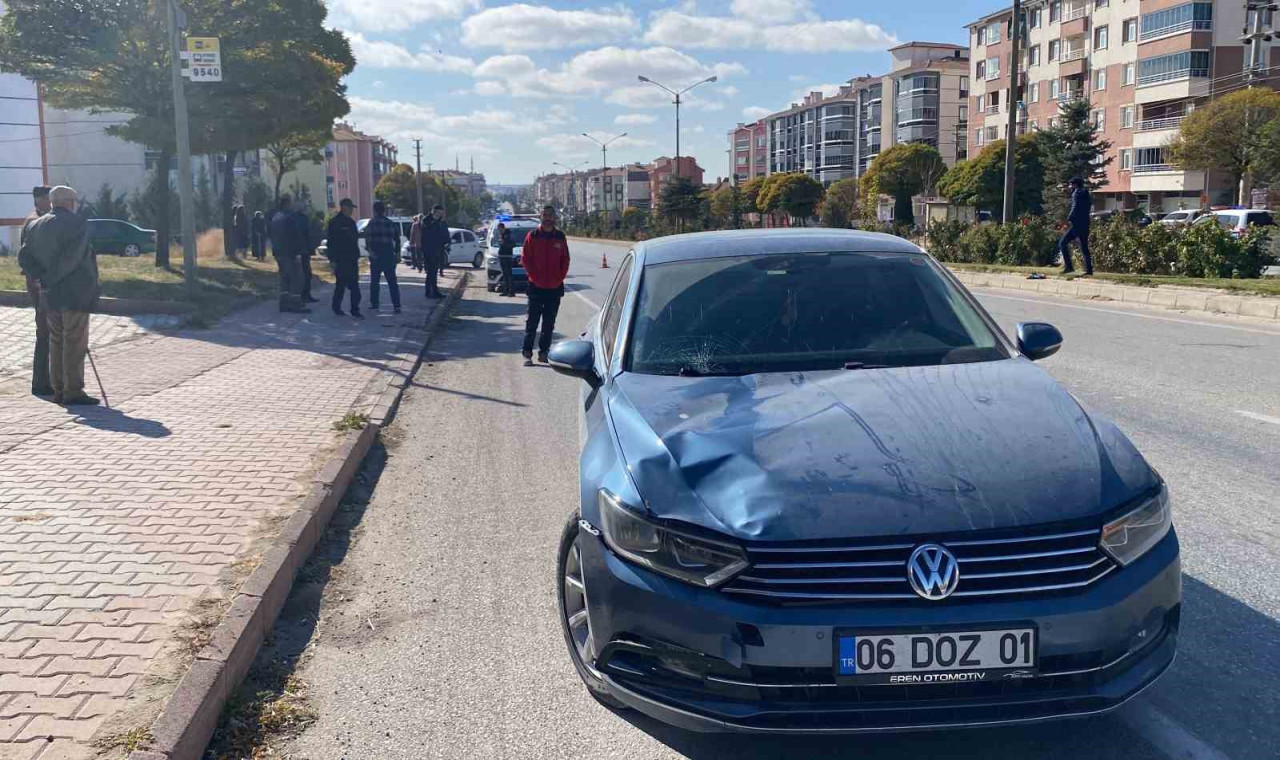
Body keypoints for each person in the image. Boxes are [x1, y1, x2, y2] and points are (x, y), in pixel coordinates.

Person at [19, 186, 100, 405]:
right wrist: (50, 278)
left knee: (56, 341)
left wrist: (41, 278)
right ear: (69, 202)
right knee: (74, 342)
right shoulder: (77, 224)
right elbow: (72, 259)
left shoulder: (35, 224)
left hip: (49, 294)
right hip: (74, 292)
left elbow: (24, 257)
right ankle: (73, 390)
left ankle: (58, 389)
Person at [520, 205, 570, 366]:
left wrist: (559, 277)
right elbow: (525, 258)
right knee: (532, 322)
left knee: (549, 323)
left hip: (554, 288)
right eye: (545, 215)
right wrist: (534, 277)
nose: (547, 218)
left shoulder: (560, 237)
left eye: (550, 215)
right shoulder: (533, 236)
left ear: (554, 218)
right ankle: (527, 353)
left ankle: (544, 352)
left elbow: (565, 260)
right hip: (536, 287)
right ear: (541, 217)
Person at [18, 186, 53, 397]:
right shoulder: (34, 222)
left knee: (47, 332)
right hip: (39, 284)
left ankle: (47, 379)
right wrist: (38, 280)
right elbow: (27, 257)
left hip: (42, 282)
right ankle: (41, 382)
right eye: (47, 199)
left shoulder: (42, 219)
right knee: (44, 333)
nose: (50, 203)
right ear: (39, 200)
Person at [269, 194, 307, 313]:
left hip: (279, 253)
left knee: (284, 278)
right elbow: (294, 237)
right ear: (287, 203)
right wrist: (297, 253)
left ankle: (284, 304)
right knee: (296, 278)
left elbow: (271, 235)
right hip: (290, 253)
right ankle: (296, 304)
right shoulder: (289, 218)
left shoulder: (276, 217)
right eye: (291, 202)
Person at [362, 200, 402, 313]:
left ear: (374, 210)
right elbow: (397, 240)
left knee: (375, 282)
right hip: (388, 255)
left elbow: (368, 240)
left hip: (376, 256)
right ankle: (396, 305)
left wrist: (371, 252)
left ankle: (375, 304)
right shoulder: (390, 223)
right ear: (384, 210)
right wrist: (397, 254)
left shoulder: (371, 223)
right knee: (392, 282)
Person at [327, 198, 363, 319]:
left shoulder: (351, 223)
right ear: (344, 207)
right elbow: (331, 243)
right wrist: (332, 260)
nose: (352, 210)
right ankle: (336, 307)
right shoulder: (334, 223)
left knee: (354, 286)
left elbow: (355, 240)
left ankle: (355, 309)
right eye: (350, 207)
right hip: (340, 259)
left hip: (352, 259)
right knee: (340, 285)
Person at [1059, 177, 1094, 276]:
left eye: (1071, 185)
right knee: (1084, 247)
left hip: (1076, 224)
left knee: (1062, 243)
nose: (1070, 187)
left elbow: (1074, 207)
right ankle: (1089, 270)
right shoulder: (1087, 194)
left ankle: (1069, 267)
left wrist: (1069, 218)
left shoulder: (1076, 194)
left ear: (1075, 185)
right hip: (1085, 223)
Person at [420, 204, 450, 298]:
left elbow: (444, 233)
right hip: (429, 250)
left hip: (439, 249)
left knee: (435, 271)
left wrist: (447, 242)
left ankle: (435, 291)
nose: (440, 214)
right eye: (439, 212)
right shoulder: (426, 220)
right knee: (430, 271)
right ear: (434, 211)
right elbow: (428, 230)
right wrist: (436, 221)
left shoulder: (441, 221)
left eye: (441, 213)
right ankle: (429, 292)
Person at [295, 205, 318, 303]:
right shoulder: (302, 219)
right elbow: (308, 234)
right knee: (305, 273)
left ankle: (304, 295)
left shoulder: (295, 218)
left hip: (299, 250)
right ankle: (304, 295)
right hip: (303, 250)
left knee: (304, 273)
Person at [496, 223, 516, 297]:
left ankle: (511, 291)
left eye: (499, 229)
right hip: (502, 256)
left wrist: (504, 243)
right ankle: (506, 290)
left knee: (509, 274)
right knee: (504, 274)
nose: (499, 231)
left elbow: (513, 244)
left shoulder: (509, 234)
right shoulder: (502, 234)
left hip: (507, 256)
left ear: (502, 228)